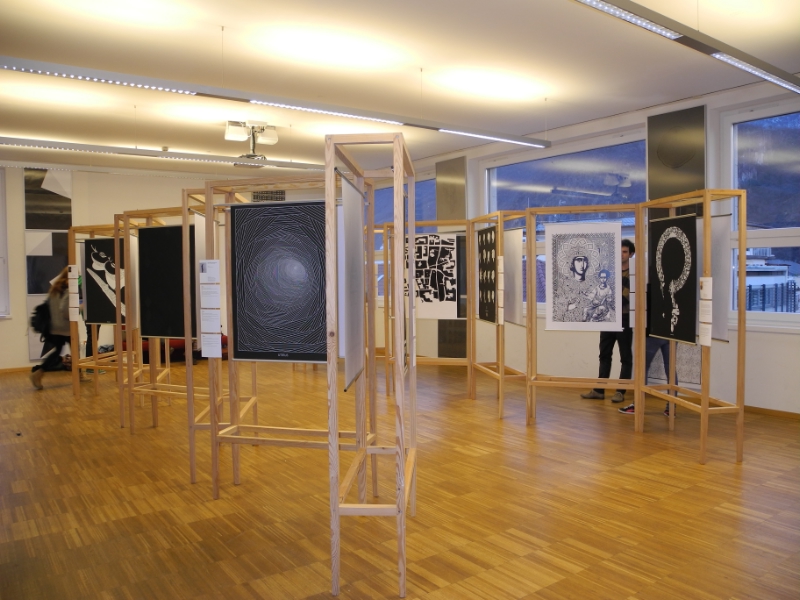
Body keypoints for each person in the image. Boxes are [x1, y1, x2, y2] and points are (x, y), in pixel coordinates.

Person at [580, 239, 634, 403]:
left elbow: (624, 299)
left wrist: (606, 300)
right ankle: (599, 390)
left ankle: (620, 391)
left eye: (625, 252)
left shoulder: (633, 274)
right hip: (608, 318)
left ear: (631, 254)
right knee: (604, 354)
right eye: (619, 251)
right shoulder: (610, 273)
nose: (621, 255)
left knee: (625, 357)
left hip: (624, 318)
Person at [30, 267, 72, 390]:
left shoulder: (55, 288)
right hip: (66, 327)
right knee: (75, 351)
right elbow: (65, 311)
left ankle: (38, 373)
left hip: (54, 327)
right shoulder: (68, 289)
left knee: (57, 352)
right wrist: (79, 308)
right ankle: (79, 375)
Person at [618, 335, 677, 415]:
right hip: (671, 334)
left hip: (654, 333)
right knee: (670, 369)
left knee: (643, 367)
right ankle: (671, 408)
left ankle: (637, 405)